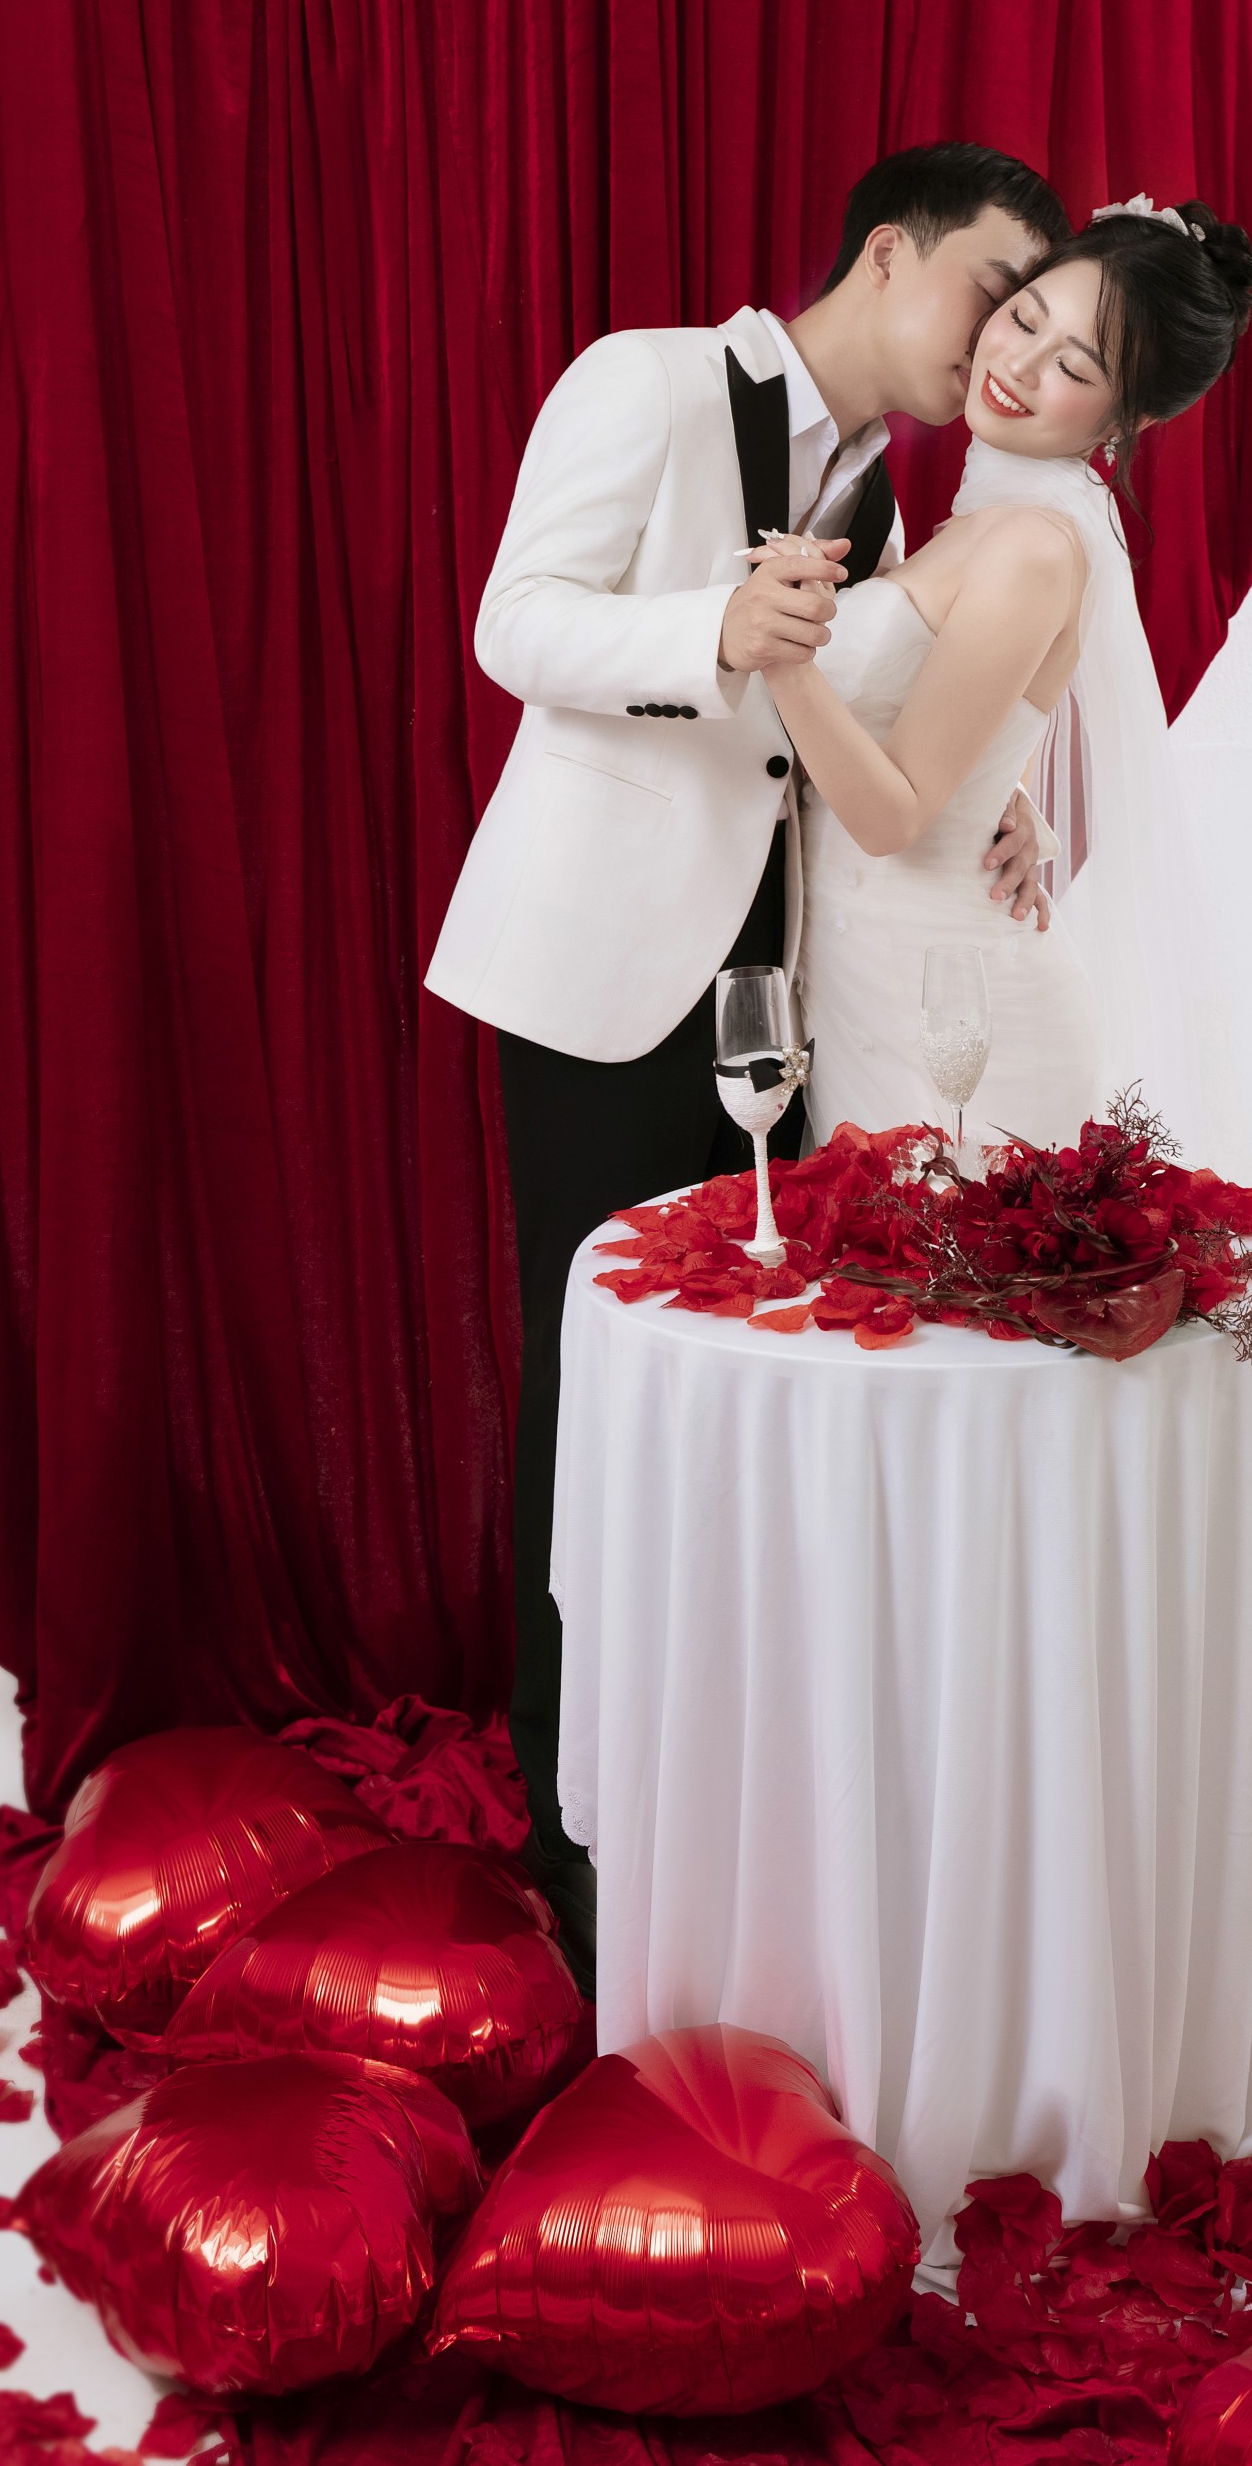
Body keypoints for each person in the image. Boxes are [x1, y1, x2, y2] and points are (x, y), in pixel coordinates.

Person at [424, 142, 1072, 1990]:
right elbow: (515, 620)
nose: (1004, 335)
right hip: (605, 978)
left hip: (787, 1002)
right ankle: (573, 1839)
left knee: (733, 1416)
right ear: (891, 253)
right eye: (995, 286)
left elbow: (875, 728)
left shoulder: (893, 490)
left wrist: (1008, 799)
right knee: (597, 1401)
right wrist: (710, 628)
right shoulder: (643, 380)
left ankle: (709, 1804)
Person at [757, 195, 1252, 1160]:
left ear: (1131, 418)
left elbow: (893, 818)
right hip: (873, 995)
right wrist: (1010, 793)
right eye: (1025, 318)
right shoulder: (990, 518)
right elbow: (959, 725)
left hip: (962, 1026)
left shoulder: (1031, 544)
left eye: (1074, 367)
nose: (1020, 367)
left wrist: (782, 653)